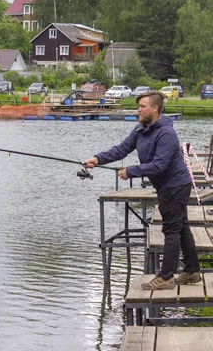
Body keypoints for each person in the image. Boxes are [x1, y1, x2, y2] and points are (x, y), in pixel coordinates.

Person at [85, 91, 200, 290]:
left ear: (154, 108)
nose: (138, 109)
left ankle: (166, 277)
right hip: (166, 185)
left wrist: (130, 171)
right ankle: (192, 271)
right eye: (138, 106)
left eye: (142, 106)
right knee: (181, 226)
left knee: (172, 229)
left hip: (175, 185)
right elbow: (122, 149)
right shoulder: (141, 128)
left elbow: (159, 165)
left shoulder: (166, 133)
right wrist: (98, 158)